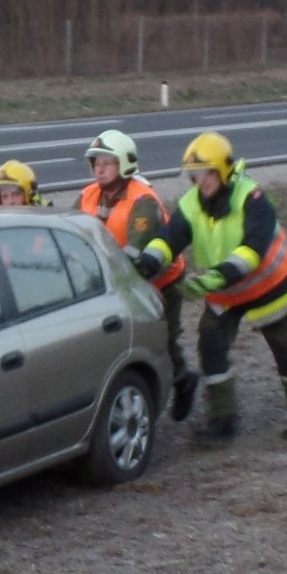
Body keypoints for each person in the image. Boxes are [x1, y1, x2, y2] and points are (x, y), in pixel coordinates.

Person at [136, 131, 287, 440]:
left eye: (205, 173)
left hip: (272, 288)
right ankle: (223, 419)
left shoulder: (253, 198)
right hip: (225, 291)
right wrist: (147, 263)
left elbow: (253, 250)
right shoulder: (191, 204)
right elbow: (169, 239)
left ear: (224, 171)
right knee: (211, 345)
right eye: (193, 175)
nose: (199, 182)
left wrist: (216, 277)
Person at [79, 129, 200, 421]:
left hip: (158, 283)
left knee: (163, 340)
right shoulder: (89, 194)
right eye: (96, 161)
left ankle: (183, 380)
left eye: (107, 161)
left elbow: (136, 253)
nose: (100, 167)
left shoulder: (143, 201)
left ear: (125, 164)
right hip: (113, 283)